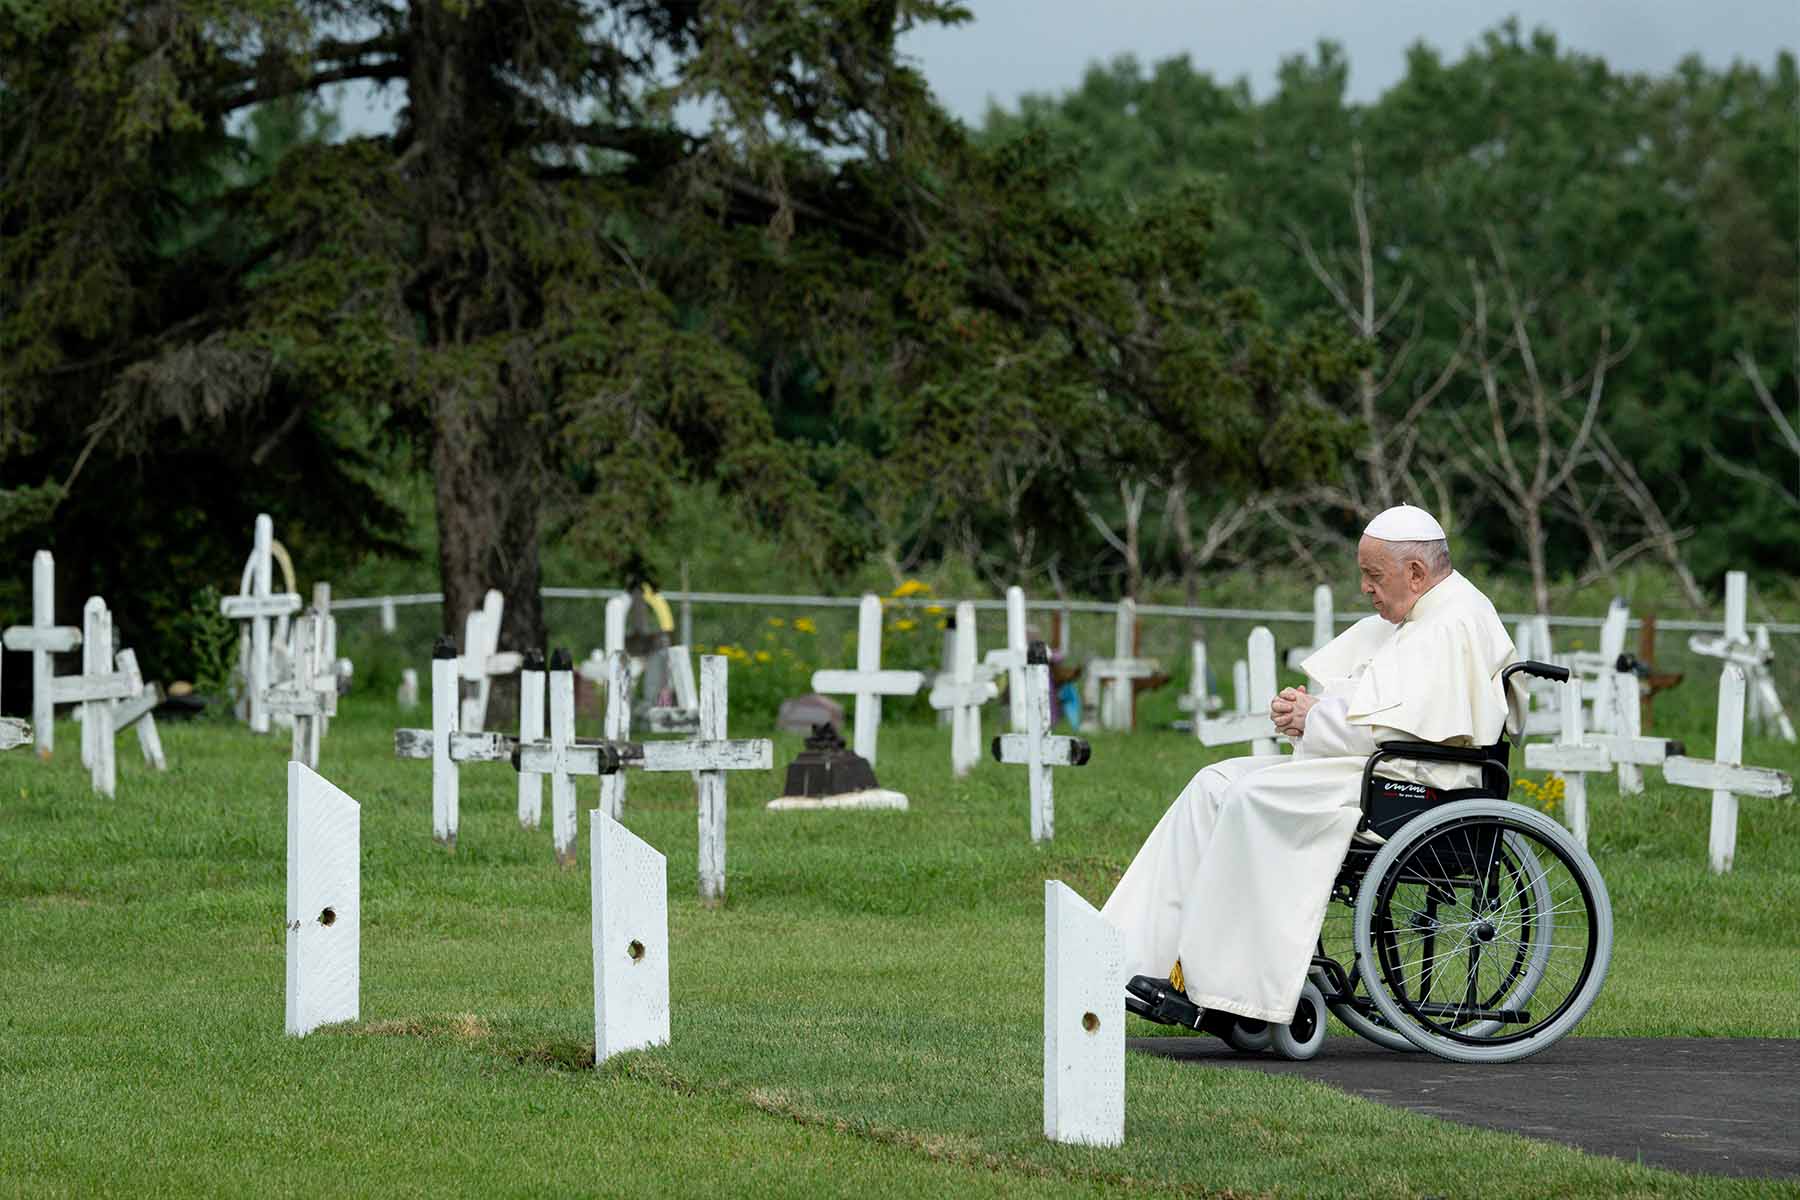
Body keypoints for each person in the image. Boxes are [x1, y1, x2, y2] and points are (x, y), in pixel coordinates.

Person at [1101, 503, 1517, 1032]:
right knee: (1217, 782)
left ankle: (1222, 988)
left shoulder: (1454, 620)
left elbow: (1407, 727)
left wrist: (1316, 718)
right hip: (1383, 768)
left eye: (1373, 575)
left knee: (1252, 798)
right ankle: (1124, 958)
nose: (1365, 588)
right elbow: (1378, 700)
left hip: (1418, 780)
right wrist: (1308, 710)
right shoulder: (1423, 613)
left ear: (1414, 572)